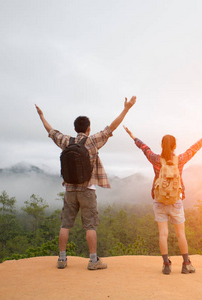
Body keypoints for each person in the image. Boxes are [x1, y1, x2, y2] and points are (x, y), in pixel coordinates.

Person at [35, 96, 136, 270]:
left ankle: (61, 259)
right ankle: (93, 261)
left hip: (69, 190)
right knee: (90, 225)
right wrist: (126, 109)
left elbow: (51, 131)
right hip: (87, 190)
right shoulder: (92, 141)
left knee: (65, 224)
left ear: (75, 129)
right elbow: (111, 127)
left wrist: (41, 116)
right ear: (88, 129)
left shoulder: (67, 141)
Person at [123, 125, 202, 274]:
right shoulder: (179, 160)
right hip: (175, 201)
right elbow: (193, 149)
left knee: (163, 234)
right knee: (181, 234)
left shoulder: (155, 159)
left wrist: (132, 135)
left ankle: (166, 265)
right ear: (175, 146)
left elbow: (144, 147)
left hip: (159, 200)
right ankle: (186, 264)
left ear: (161, 145)